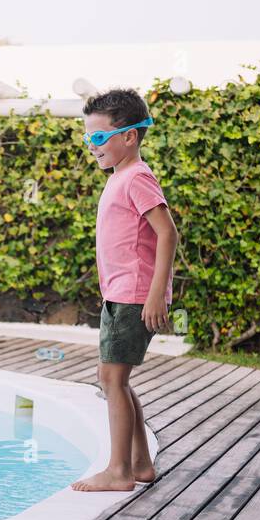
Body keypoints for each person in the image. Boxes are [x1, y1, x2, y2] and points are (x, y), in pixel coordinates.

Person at [71, 89, 179, 493]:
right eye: (88, 139)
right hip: (120, 294)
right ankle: (141, 463)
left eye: (99, 138)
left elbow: (167, 234)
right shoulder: (121, 177)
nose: (92, 146)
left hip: (134, 296)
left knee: (112, 379)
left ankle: (119, 471)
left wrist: (154, 295)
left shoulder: (138, 177)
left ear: (130, 136)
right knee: (115, 378)